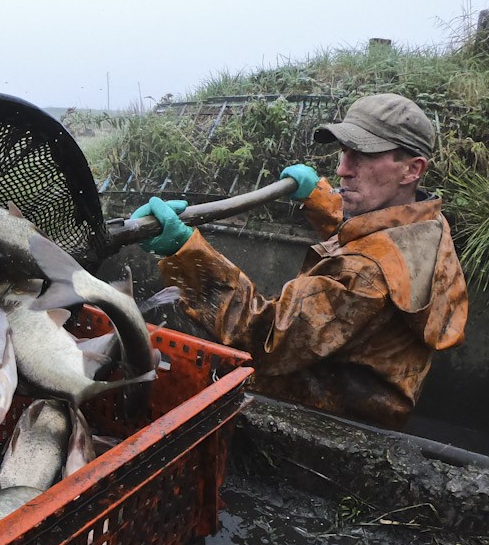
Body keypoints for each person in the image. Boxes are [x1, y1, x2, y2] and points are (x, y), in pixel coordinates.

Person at [134, 93, 469, 429]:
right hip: (377, 402)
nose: (342, 169)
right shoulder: (428, 224)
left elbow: (264, 339)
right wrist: (320, 199)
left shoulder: (364, 275)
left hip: (325, 419)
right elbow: (371, 236)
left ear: (412, 169)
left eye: (363, 156)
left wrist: (183, 252)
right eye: (344, 152)